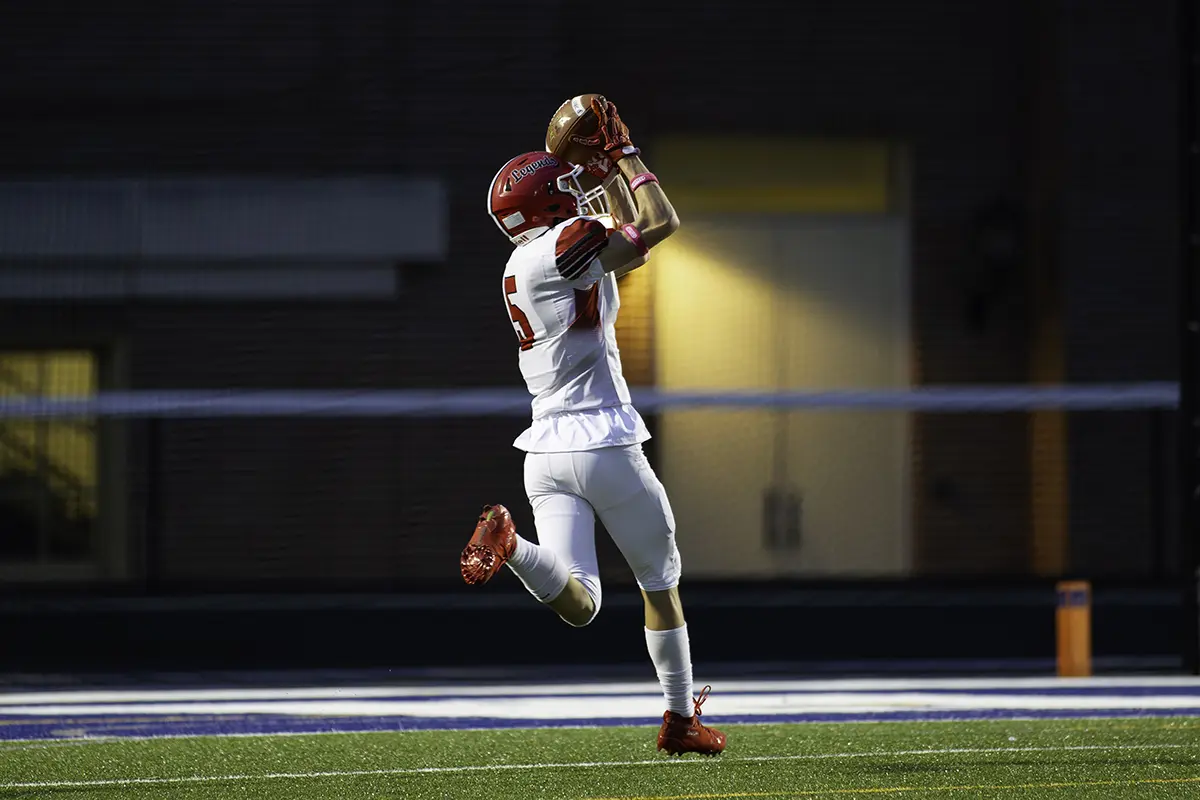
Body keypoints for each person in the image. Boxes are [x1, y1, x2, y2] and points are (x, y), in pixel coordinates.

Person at [460, 98, 726, 756]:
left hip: (543, 453)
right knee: (660, 584)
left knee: (581, 603)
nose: (578, 191)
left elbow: (605, 229)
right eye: (567, 190)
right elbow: (660, 221)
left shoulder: (518, 265)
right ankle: (679, 719)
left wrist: (594, 168)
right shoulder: (567, 248)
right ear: (551, 209)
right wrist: (625, 155)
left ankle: (511, 545)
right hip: (603, 442)